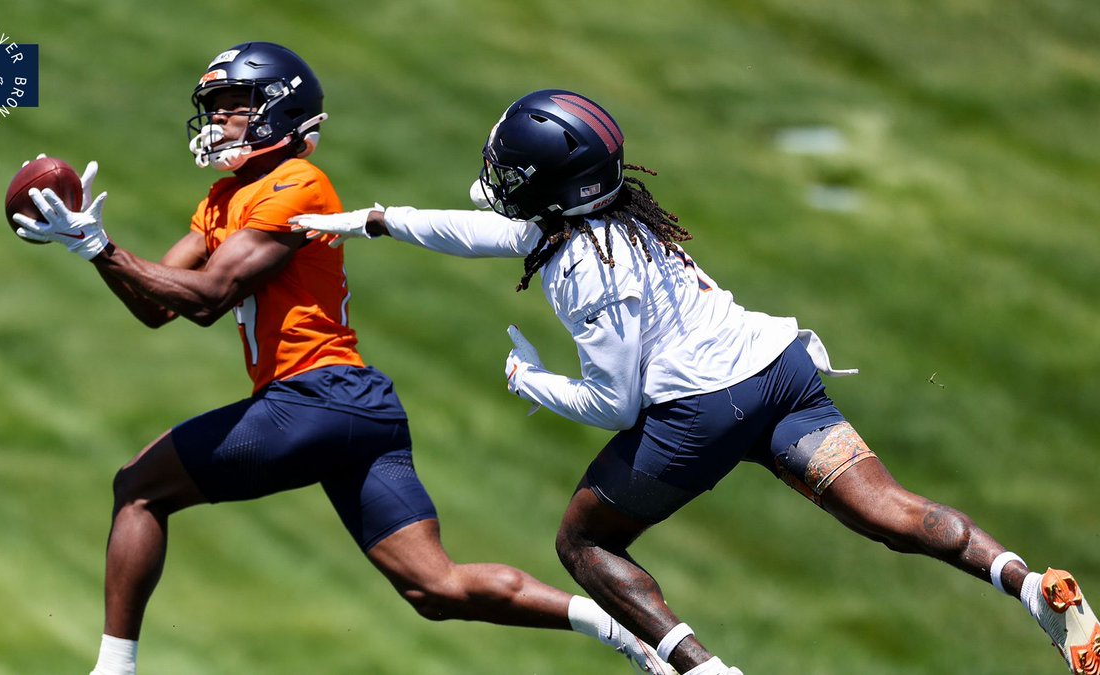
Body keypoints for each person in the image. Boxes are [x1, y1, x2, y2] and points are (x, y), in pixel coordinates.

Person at [289, 88, 1100, 675]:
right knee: (891, 510)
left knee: (584, 542)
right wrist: (376, 218)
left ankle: (701, 670)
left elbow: (615, 402)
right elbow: (487, 231)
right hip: (776, 372)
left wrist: (530, 379)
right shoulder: (618, 213)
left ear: (544, 184)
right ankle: (1031, 584)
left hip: (702, 412)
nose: (498, 179)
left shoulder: (578, 267)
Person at [11, 47, 678, 675]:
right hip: (359, 409)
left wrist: (101, 247)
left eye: (231, 104)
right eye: (213, 105)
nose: (216, 119)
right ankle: (614, 626)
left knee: (139, 488)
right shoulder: (220, 201)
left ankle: (113, 668)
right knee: (434, 585)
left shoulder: (298, 183)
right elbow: (157, 302)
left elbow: (210, 297)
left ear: (277, 108)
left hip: (314, 397)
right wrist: (88, 244)